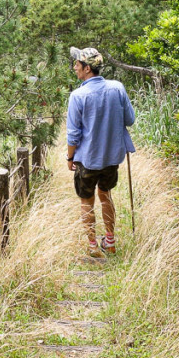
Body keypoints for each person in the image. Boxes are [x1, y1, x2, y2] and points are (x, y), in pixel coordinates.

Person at [66, 46, 135, 257]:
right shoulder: (117, 88)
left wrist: (70, 158)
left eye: (77, 64)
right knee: (106, 196)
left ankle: (93, 246)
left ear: (87, 68)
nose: (75, 67)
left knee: (86, 200)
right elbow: (130, 120)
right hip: (111, 157)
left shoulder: (78, 96)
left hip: (87, 159)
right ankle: (110, 242)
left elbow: (73, 135)